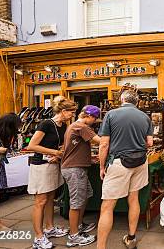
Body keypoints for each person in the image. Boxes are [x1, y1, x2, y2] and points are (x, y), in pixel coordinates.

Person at [97, 90, 153, 249]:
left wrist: (102, 166)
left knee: (108, 206)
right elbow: (149, 142)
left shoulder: (111, 114)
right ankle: (131, 238)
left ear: (122, 99)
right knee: (133, 198)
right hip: (140, 161)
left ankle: (101, 247)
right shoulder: (145, 116)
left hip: (119, 162)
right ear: (137, 102)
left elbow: (104, 144)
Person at [27, 96, 76, 249]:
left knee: (49, 198)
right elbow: (32, 145)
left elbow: (60, 145)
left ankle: (49, 228)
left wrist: (57, 154)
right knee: (40, 201)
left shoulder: (62, 125)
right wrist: (55, 152)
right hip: (41, 166)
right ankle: (38, 237)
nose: (72, 115)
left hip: (53, 164)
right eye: (71, 112)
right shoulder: (46, 124)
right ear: (63, 111)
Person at [61, 105, 102, 247]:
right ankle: (73, 236)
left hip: (75, 167)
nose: (94, 122)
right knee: (77, 202)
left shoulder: (73, 125)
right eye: (95, 119)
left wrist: (89, 158)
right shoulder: (82, 126)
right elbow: (102, 142)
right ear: (90, 116)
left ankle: (78, 226)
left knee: (85, 195)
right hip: (74, 169)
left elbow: (75, 148)